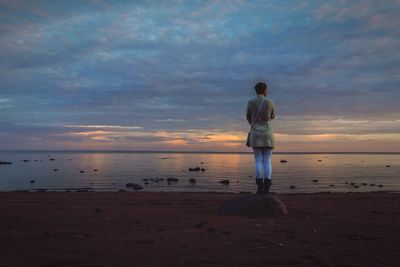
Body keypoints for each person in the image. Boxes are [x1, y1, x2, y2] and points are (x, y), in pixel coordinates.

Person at [246, 81, 275, 194]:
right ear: (265, 90)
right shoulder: (270, 102)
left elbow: (248, 117)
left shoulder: (250, 102)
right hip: (267, 132)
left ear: (256, 90)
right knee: (267, 160)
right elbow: (272, 116)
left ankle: (259, 187)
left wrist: (254, 123)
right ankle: (267, 187)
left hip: (255, 133)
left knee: (258, 161)